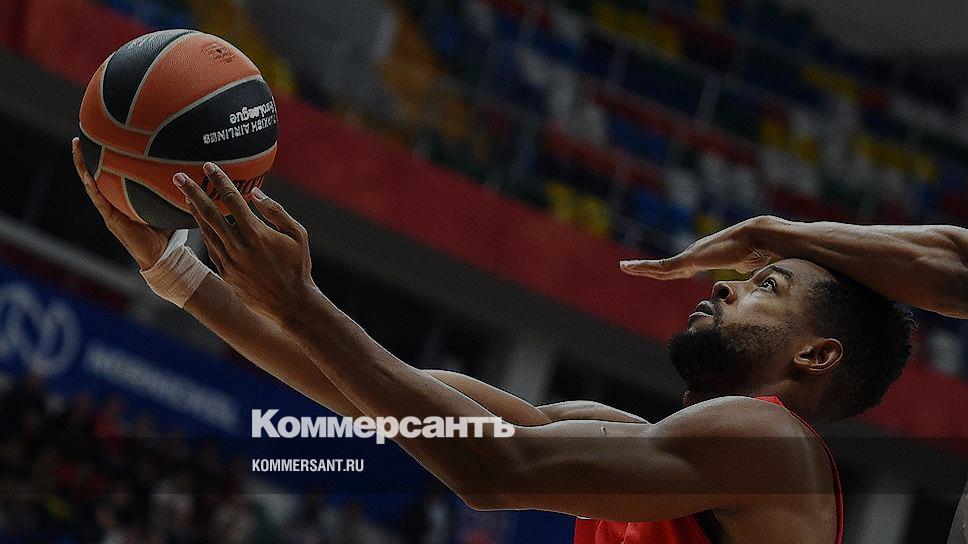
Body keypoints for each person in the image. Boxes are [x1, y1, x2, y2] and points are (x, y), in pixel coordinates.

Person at [71, 140, 967, 543]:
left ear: (816, 356)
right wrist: (176, 270)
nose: (728, 284)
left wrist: (302, 304)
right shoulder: (654, 452)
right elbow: (383, 398)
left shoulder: (771, 443)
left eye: (768, 287)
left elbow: (496, 472)